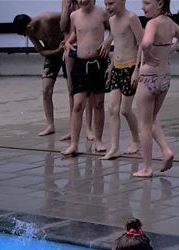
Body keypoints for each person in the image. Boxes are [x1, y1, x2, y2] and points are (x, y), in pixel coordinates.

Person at [134, 0, 179, 177]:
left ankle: (146, 167)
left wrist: (148, 55)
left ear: (160, 4)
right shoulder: (170, 23)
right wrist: (170, 50)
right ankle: (166, 151)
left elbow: (145, 43)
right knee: (151, 119)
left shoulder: (153, 23)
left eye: (147, 3)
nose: (142, 7)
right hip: (164, 78)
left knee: (144, 124)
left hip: (148, 77)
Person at [61, 0, 110, 156]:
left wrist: (107, 42)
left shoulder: (102, 12)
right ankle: (74, 144)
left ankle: (98, 140)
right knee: (77, 105)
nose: (82, 1)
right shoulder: (74, 16)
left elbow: (114, 30)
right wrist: (68, 42)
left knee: (98, 103)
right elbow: (76, 33)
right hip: (81, 63)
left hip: (98, 61)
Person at [102, 0, 142, 159]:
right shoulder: (112, 20)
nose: (108, 7)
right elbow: (117, 44)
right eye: (105, 4)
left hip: (130, 67)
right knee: (112, 109)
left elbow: (141, 44)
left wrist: (137, 70)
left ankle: (136, 140)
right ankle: (114, 147)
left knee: (125, 110)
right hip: (117, 67)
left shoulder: (131, 18)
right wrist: (111, 66)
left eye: (111, 3)